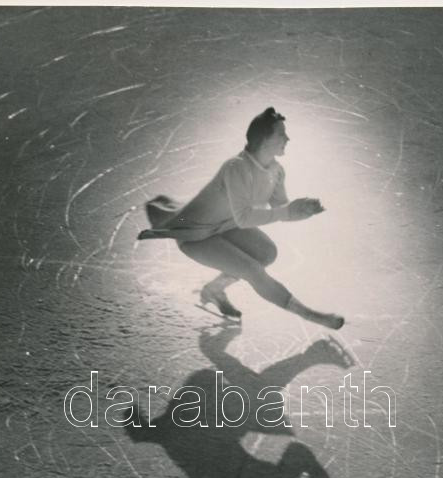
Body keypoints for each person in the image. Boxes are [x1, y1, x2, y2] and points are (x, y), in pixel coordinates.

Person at [137, 107, 344, 329]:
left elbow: (282, 209)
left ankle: (214, 289)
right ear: (264, 139)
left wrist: (302, 211)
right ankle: (312, 316)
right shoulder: (236, 167)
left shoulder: (276, 171)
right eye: (281, 134)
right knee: (252, 271)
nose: (287, 138)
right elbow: (246, 218)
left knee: (267, 253)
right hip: (196, 237)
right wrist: (288, 211)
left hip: (225, 226)